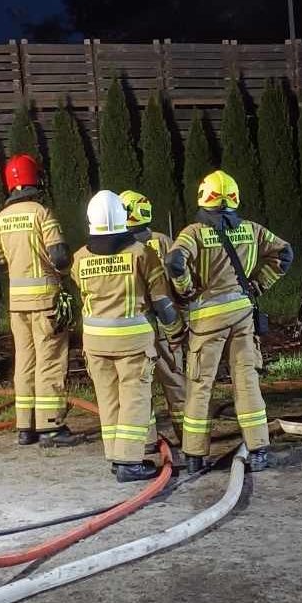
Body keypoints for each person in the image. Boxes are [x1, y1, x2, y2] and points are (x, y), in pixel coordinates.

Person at [166, 170, 293, 473]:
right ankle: (259, 450)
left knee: (200, 385)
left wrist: (186, 290)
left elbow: (173, 262)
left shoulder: (194, 233)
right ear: (235, 198)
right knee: (247, 383)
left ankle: (195, 456)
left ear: (203, 197)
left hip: (207, 321)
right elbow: (285, 253)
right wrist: (259, 284)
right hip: (242, 315)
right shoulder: (252, 230)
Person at [71, 191, 178, 482]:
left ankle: (116, 457)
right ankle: (130, 462)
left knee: (108, 400)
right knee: (134, 399)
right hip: (132, 343)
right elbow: (162, 302)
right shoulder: (142, 254)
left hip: (94, 343)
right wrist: (176, 330)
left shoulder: (79, 258)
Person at [0, 154, 80, 447]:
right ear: (35, 178)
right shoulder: (42, 213)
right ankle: (50, 426)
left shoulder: (0, 219)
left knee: (24, 362)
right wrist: (63, 274)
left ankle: (25, 426)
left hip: (17, 305)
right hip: (46, 302)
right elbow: (59, 256)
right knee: (50, 362)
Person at [119, 189, 186, 443]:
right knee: (176, 381)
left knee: (138, 388)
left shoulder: (117, 247)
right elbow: (177, 282)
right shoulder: (163, 241)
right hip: (167, 324)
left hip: (136, 328)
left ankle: (146, 443)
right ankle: (190, 439)